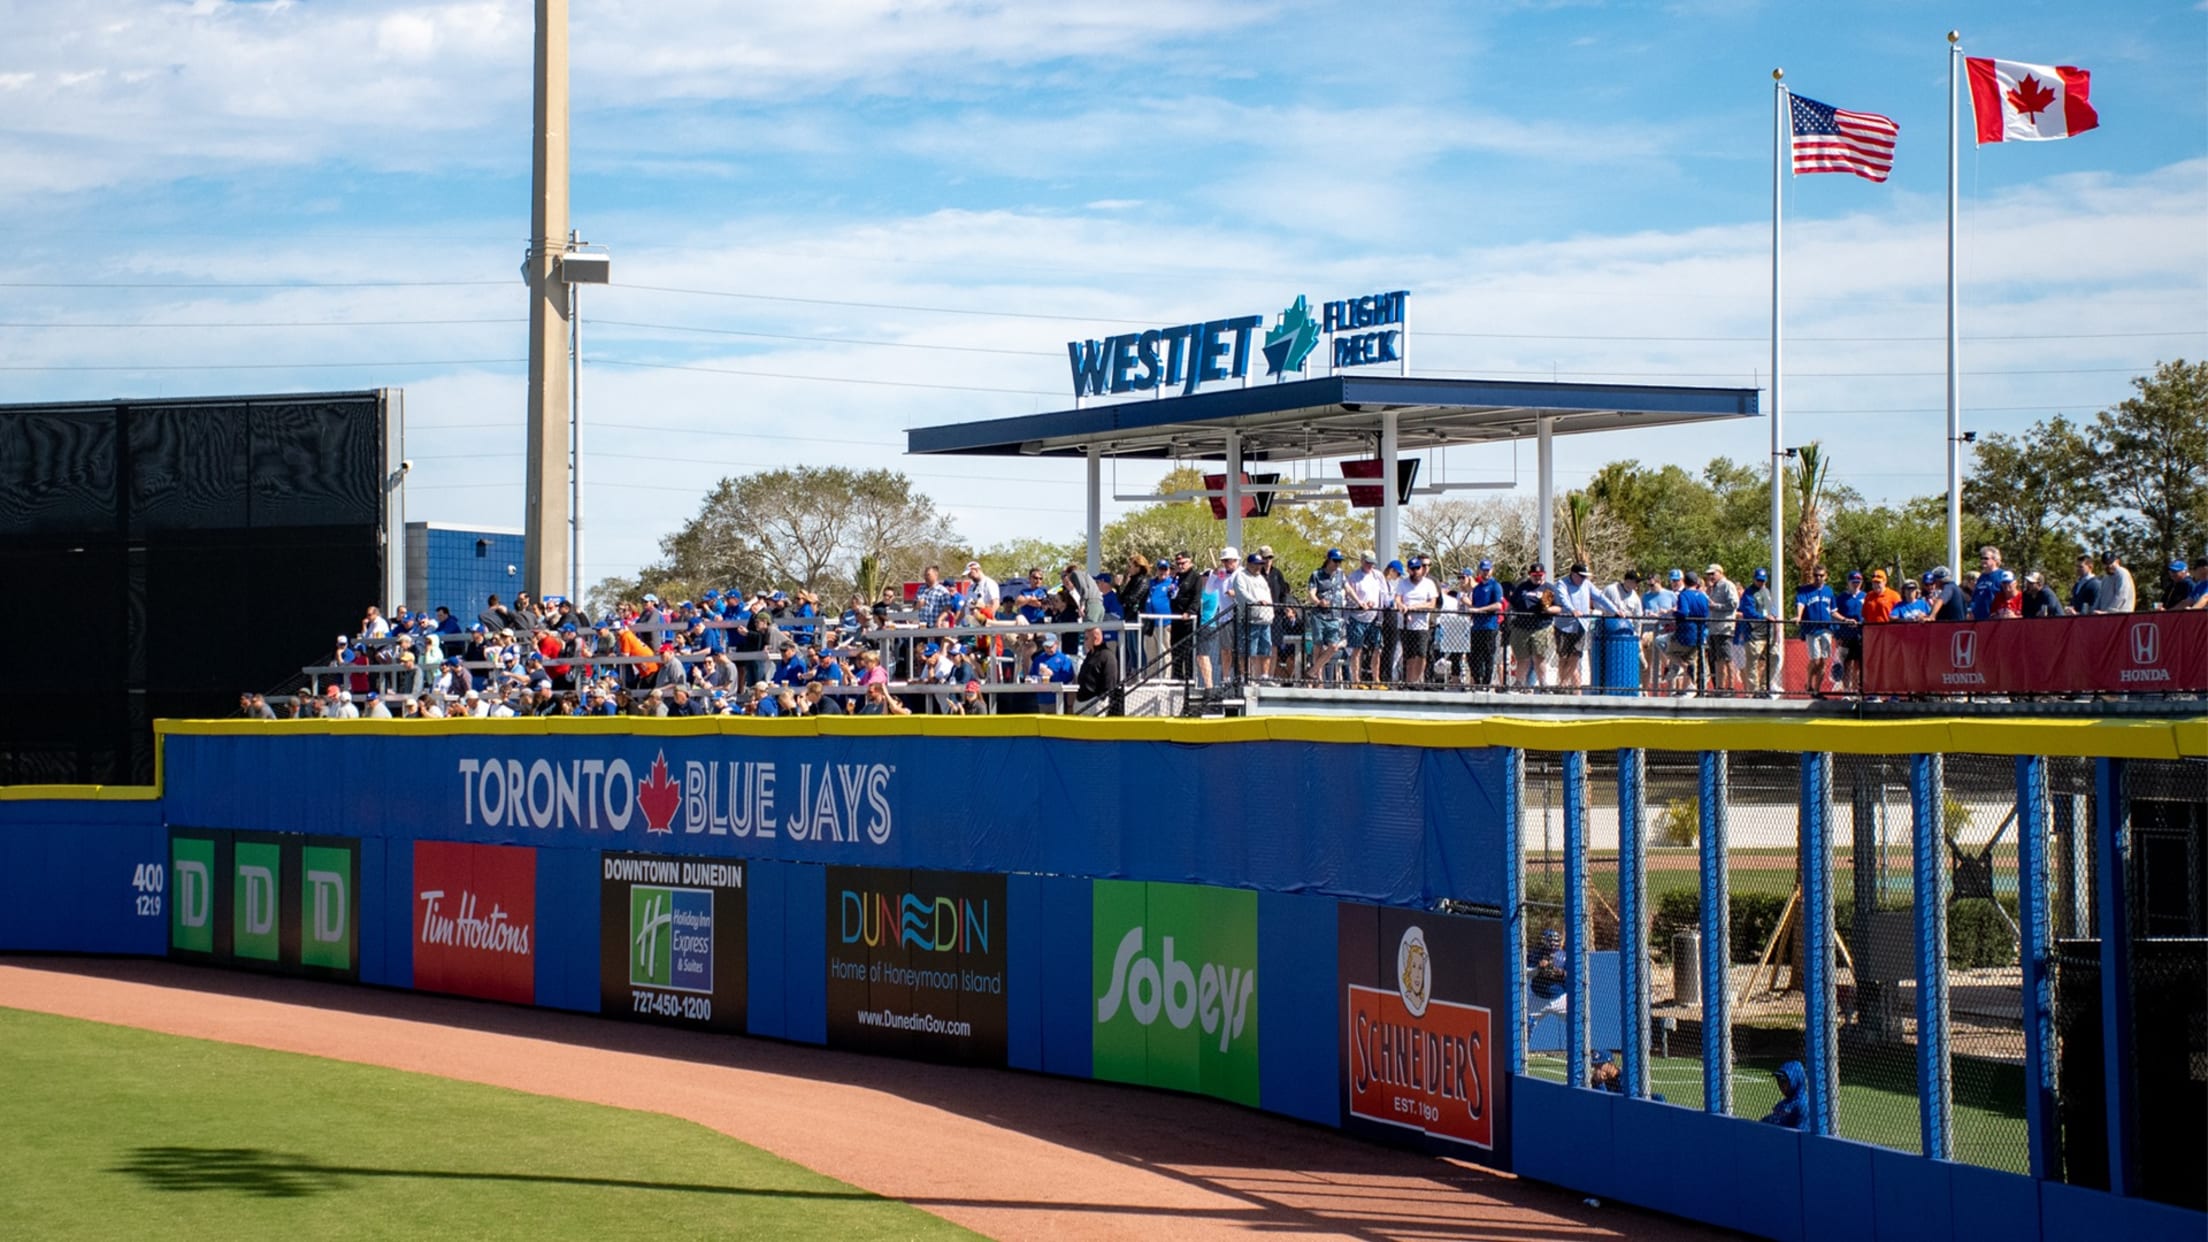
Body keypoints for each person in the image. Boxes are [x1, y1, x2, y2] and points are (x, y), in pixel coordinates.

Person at [1506, 563, 1560, 688]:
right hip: (1521, 627)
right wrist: (1509, 618)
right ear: (1530, 575)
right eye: (1535, 575)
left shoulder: (1549, 589)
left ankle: (1543, 684)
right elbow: (1512, 604)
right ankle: (1519, 683)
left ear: (1544, 575)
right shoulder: (1523, 587)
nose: (1538, 577)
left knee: (1539, 657)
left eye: (1540, 575)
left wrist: (1547, 609)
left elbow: (1558, 608)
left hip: (1540, 627)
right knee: (1522, 658)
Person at [1395, 557, 1441, 685]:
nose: (1416, 571)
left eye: (1418, 568)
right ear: (1409, 570)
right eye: (1413, 569)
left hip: (1422, 625)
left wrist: (1413, 607)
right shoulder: (1403, 583)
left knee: (1421, 654)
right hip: (1406, 625)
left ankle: (1417, 680)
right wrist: (1402, 606)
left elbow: (1432, 604)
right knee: (1409, 655)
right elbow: (1397, 599)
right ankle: (1409, 681)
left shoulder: (1429, 584)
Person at [1306, 549, 1349, 684]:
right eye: (1335, 561)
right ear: (1329, 560)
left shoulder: (1341, 574)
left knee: (1333, 646)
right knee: (1317, 645)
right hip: (1319, 615)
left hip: (1335, 616)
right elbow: (1311, 593)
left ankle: (1312, 670)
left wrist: (1360, 602)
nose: (1338, 564)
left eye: (1340, 561)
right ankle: (1318, 678)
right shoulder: (1317, 574)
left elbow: (1348, 588)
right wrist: (1319, 602)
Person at [1794, 565, 1838, 694]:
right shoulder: (1805, 591)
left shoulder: (1829, 591)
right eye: (1815, 575)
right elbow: (1800, 604)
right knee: (1815, 659)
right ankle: (1808, 682)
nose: (1818, 578)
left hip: (1826, 629)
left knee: (1823, 662)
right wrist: (1799, 616)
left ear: (1826, 576)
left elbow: (1833, 611)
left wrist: (1845, 619)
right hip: (1812, 630)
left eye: (1821, 575)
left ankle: (1817, 691)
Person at [1347, 550, 1389, 685]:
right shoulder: (1353, 577)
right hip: (1357, 618)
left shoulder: (1378, 576)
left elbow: (1384, 594)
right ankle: (1356, 680)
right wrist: (1360, 603)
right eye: (1368, 562)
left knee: (1378, 648)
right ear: (1362, 561)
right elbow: (1348, 597)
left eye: (1372, 563)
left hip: (1375, 617)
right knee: (1357, 649)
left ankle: (1376, 680)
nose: (1370, 565)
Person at [1552, 562, 1595, 690]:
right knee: (1563, 657)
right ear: (1573, 574)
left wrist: (1616, 610)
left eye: (1585, 576)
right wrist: (1572, 610)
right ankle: (1564, 684)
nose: (1583, 579)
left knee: (1575, 656)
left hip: (1581, 626)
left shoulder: (1587, 584)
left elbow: (1599, 596)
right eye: (1581, 576)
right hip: (1563, 627)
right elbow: (1564, 599)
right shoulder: (1562, 583)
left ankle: (1563, 684)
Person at [1465, 559, 1506, 689]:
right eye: (1483, 570)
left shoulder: (1495, 586)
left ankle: (1486, 683)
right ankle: (1477, 681)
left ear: (1491, 570)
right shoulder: (1477, 588)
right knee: (1474, 657)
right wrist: (1471, 608)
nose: (1485, 573)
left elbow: (1498, 605)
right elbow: (1474, 606)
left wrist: (1479, 610)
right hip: (1476, 627)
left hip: (1490, 626)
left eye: (1488, 570)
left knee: (1488, 656)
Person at [1671, 570, 1711, 694]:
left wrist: (1674, 612)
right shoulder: (1703, 596)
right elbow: (1706, 614)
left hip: (1685, 633)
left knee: (1664, 646)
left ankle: (1688, 681)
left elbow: (1683, 612)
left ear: (1685, 582)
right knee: (1693, 659)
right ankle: (1692, 688)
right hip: (1700, 633)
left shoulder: (1684, 595)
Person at [1526, 928, 1568, 1043]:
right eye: (1550, 941)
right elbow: (1527, 973)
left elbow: (1573, 976)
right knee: (1524, 1026)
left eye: (1554, 941)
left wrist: (1559, 972)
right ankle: (1521, 1057)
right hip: (1538, 998)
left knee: (1579, 1023)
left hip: (1560, 997)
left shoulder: (1564, 956)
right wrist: (1539, 968)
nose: (1552, 944)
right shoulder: (1535, 954)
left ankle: (1587, 1054)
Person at [1703, 564, 1740, 693]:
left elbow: (1734, 603)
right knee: (1717, 659)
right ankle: (1719, 687)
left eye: (1713, 574)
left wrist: (1716, 606)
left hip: (1725, 627)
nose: (1710, 577)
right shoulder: (1714, 588)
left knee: (1727, 658)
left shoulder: (1727, 585)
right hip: (1714, 628)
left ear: (1720, 572)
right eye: (1709, 574)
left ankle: (1730, 687)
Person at [1075, 625, 1120, 713]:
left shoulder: (1107, 655)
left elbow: (1110, 680)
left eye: (1086, 638)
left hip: (1095, 702)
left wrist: (1102, 699)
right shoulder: (1090, 654)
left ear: (1095, 638)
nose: (1084, 642)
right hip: (1081, 700)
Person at [1761, 1060, 1809, 1131]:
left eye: (1784, 1080)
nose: (1780, 1084)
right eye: (1778, 1080)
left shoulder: (1803, 1106)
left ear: (1795, 1080)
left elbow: (1801, 1136)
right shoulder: (1783, 1104)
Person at [1969, 546, 2005, 620]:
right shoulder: (1981, 577)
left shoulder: (2002, 575)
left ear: (1995, 560)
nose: (1983, 560)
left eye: (1986, 558)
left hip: (1994, 619)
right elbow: (1975, 596)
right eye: (1981, 558)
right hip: (1978, 619)